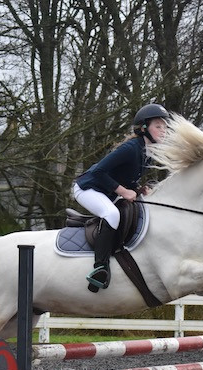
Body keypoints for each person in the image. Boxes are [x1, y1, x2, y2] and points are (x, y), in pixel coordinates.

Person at [72, 103, 170, 291]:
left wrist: (139, 189)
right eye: (158, 126)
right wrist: (124, 192)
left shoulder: (147, 153)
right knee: (111, 214)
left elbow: (126, 178)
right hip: (87, 188)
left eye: (165, 126)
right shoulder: (131, 148)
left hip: (105, 191)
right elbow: (99, 171)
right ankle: (99, 267)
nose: (163, 130)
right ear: (143, 128)